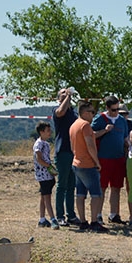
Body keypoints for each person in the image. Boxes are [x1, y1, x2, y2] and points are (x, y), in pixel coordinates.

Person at [91, 95, 130, 225]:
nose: (116, 112)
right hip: (103, 158)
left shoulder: (122, 121)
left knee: (116, 188)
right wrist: (104, 131)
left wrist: (129, 145)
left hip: (119, 159)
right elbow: (90, 135)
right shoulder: (100, 119)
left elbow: (125, 138)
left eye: (117, 109)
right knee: (101, 188)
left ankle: (114, 214)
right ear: (107, 108)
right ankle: (98, 214)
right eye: (113, 110)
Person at [69, 101, 105, 232]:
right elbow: (90, 145)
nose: (93, 115)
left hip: (76, 163)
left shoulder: (74, 125)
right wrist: (97, 162)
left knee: (80, 194)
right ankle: (94, 221)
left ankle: (83, 221)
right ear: (84, 113)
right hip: (87, 164)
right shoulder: (85, 126)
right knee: (96, 194)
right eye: (92, 112)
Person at [52, 88, 79, 226]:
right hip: (62, 152)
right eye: (62, 92)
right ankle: (60, 216)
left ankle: (71, 215)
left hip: (73, 152)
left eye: (66, 92)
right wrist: (67, 96)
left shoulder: (73, 113)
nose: (66, 93)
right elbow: (61, 111)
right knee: (61, 185)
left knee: (71, 185)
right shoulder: (57, 111)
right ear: (58, 98)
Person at [32, 122, 59, 229]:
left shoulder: (46, 144)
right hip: (43, 175)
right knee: (47, 197)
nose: (50, 133)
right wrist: (48, 166)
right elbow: (39, 158)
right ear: (41, 132)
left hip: (48, 175)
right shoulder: (38, 144)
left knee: (44, 197)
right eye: (48, 131)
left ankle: (42, 219)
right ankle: (53, 219)